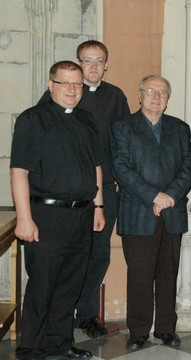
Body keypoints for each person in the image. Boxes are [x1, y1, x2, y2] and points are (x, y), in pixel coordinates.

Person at [12, 61, 105, 360]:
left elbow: (96, 167)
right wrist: (25, 218)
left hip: (82, 213)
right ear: (50, 85)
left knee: (70, 284)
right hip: (46, 216)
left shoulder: (87, 120)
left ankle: (59, 342)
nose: (72, 89)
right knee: (43, 285)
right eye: (64, 83)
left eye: (77, 84)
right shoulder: (31, 120)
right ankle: (31, 349)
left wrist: (98, 207)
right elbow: (18, 171)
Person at [38, 40, 129, 338]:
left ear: (106, 64)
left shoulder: (116, 96)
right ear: (77, 62)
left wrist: (118, 176)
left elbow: (123, 140)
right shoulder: (59, 95)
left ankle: (87, 315)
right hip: (67, 193)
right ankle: (56, 317)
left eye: (99, 60)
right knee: (67, 256)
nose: (93, 66)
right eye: (87, 61)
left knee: (99, 254)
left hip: (105, 190)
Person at [111, 75, 191, 350]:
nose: (156, 96)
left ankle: (166, 329)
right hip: (138, 212)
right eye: (150, 91)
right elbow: (121, 168)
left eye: (162, 92)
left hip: (172, 213)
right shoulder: (123, 127)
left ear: (168, 99)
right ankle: (138, 331)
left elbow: (188, 167)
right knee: (140, 275)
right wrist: (153, 196)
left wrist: (170, 196)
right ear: (139, 95)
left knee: (169, 274)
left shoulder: (180, 129)